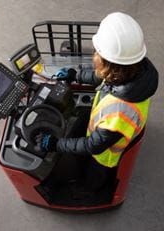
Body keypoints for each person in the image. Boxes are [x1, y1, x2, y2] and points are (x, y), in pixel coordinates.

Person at [36, 12, 158, 196]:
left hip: (103, 157)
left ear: (110, 66)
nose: (95, 55)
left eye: (98, 52)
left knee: (93, 179)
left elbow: (93, 146)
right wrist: (75, 75)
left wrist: (56, 144)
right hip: (104, 129)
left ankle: (84, 190)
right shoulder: (133, 70)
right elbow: (99, 77)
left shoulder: (120, 113)